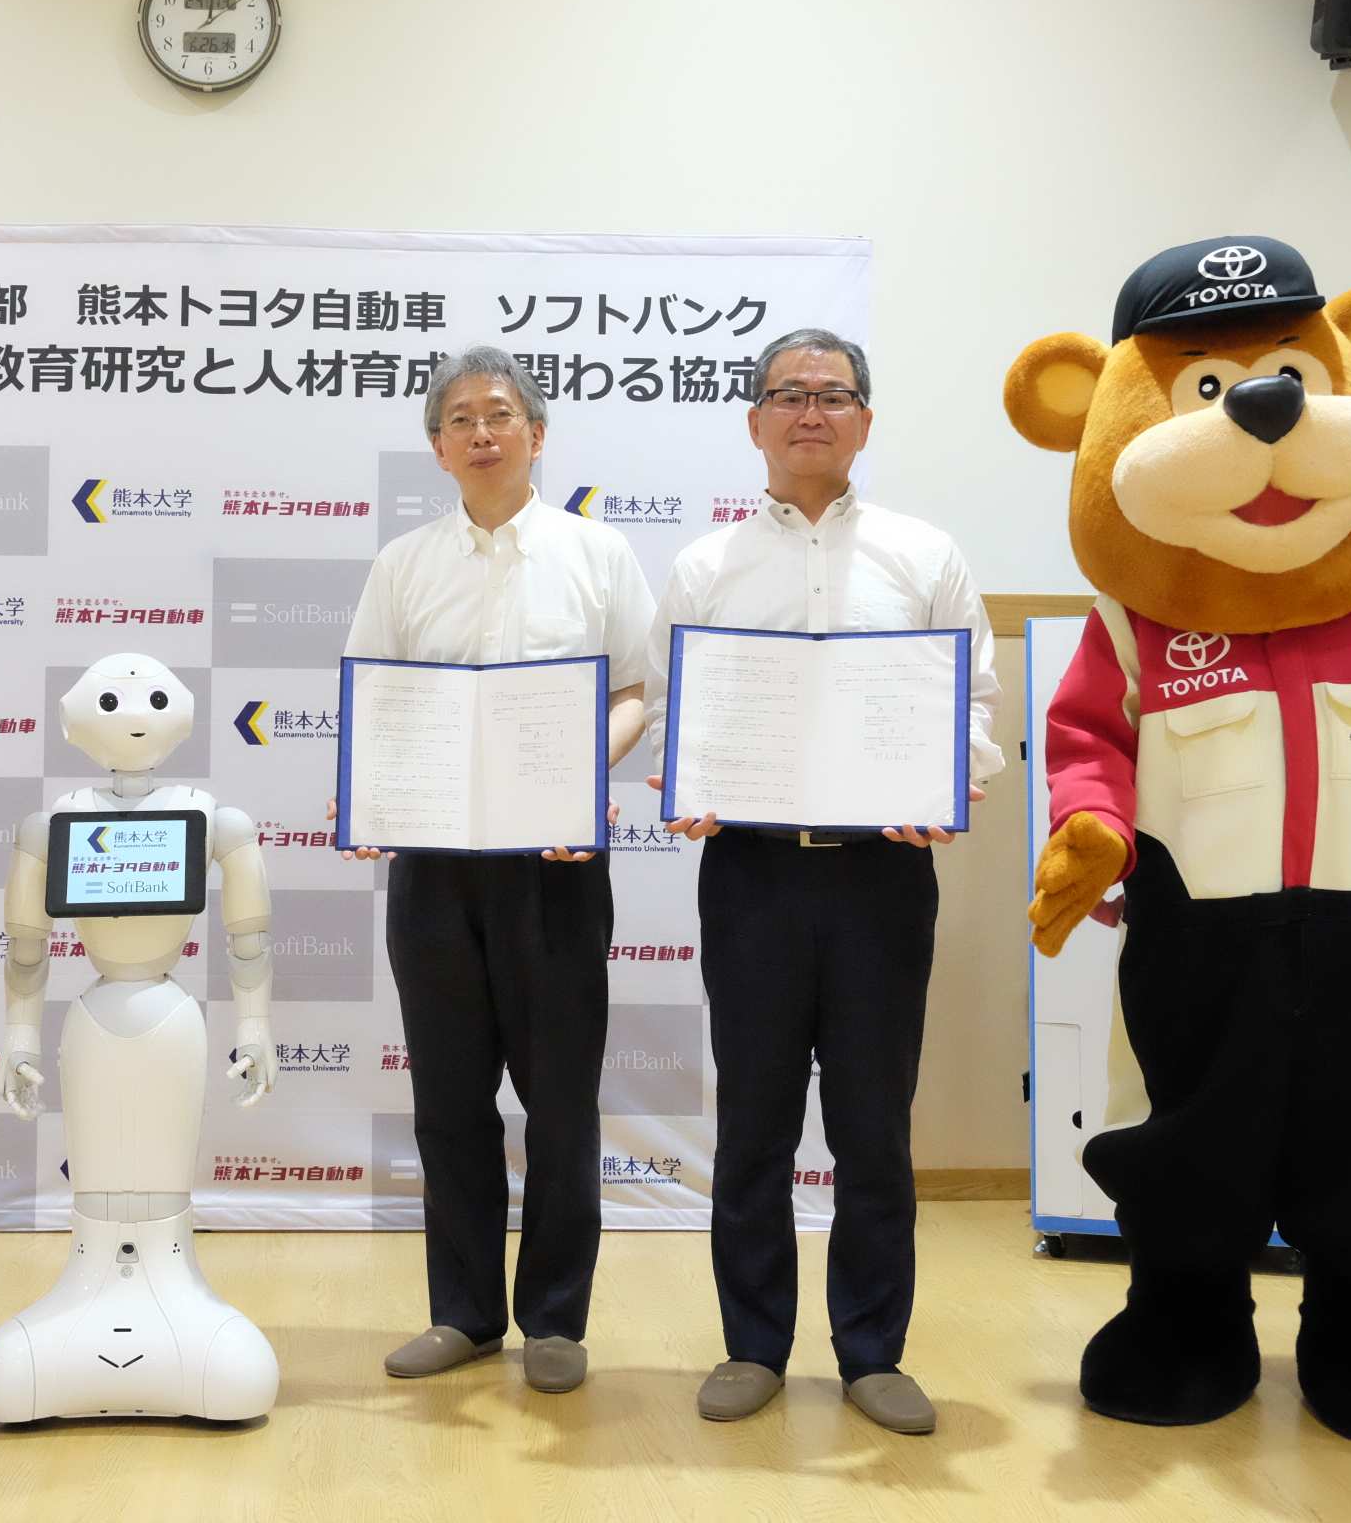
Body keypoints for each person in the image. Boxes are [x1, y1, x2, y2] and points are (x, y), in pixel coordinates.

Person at [642, 327, 1003, 1430]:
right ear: (753, 420)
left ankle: (870, 1352)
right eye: (788, 394)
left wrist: (947, 780)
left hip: (880, 877)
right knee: (752, 1122)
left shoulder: (923, 555)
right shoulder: (704, 566)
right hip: (749, 874)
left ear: (864, 420)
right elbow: (672, 709)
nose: (810, 411)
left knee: (871, 1127)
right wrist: (687, 777)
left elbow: (974, 707)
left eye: (833, 394)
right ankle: (751, 1344)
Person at [336, 344, 655, 1394]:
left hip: (553, 862)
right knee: (448, 1099)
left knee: (559, 1101)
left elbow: (634, 691)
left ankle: (554, 1318)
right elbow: (376, 698)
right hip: (433, 864)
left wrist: (580, 774)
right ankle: (464, 1312)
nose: (481, 432)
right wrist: (368, 794)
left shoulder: (595, 552)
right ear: (437, 447)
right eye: (460, 418)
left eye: (500, 414)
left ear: (537, 434)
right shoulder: (403, 564)